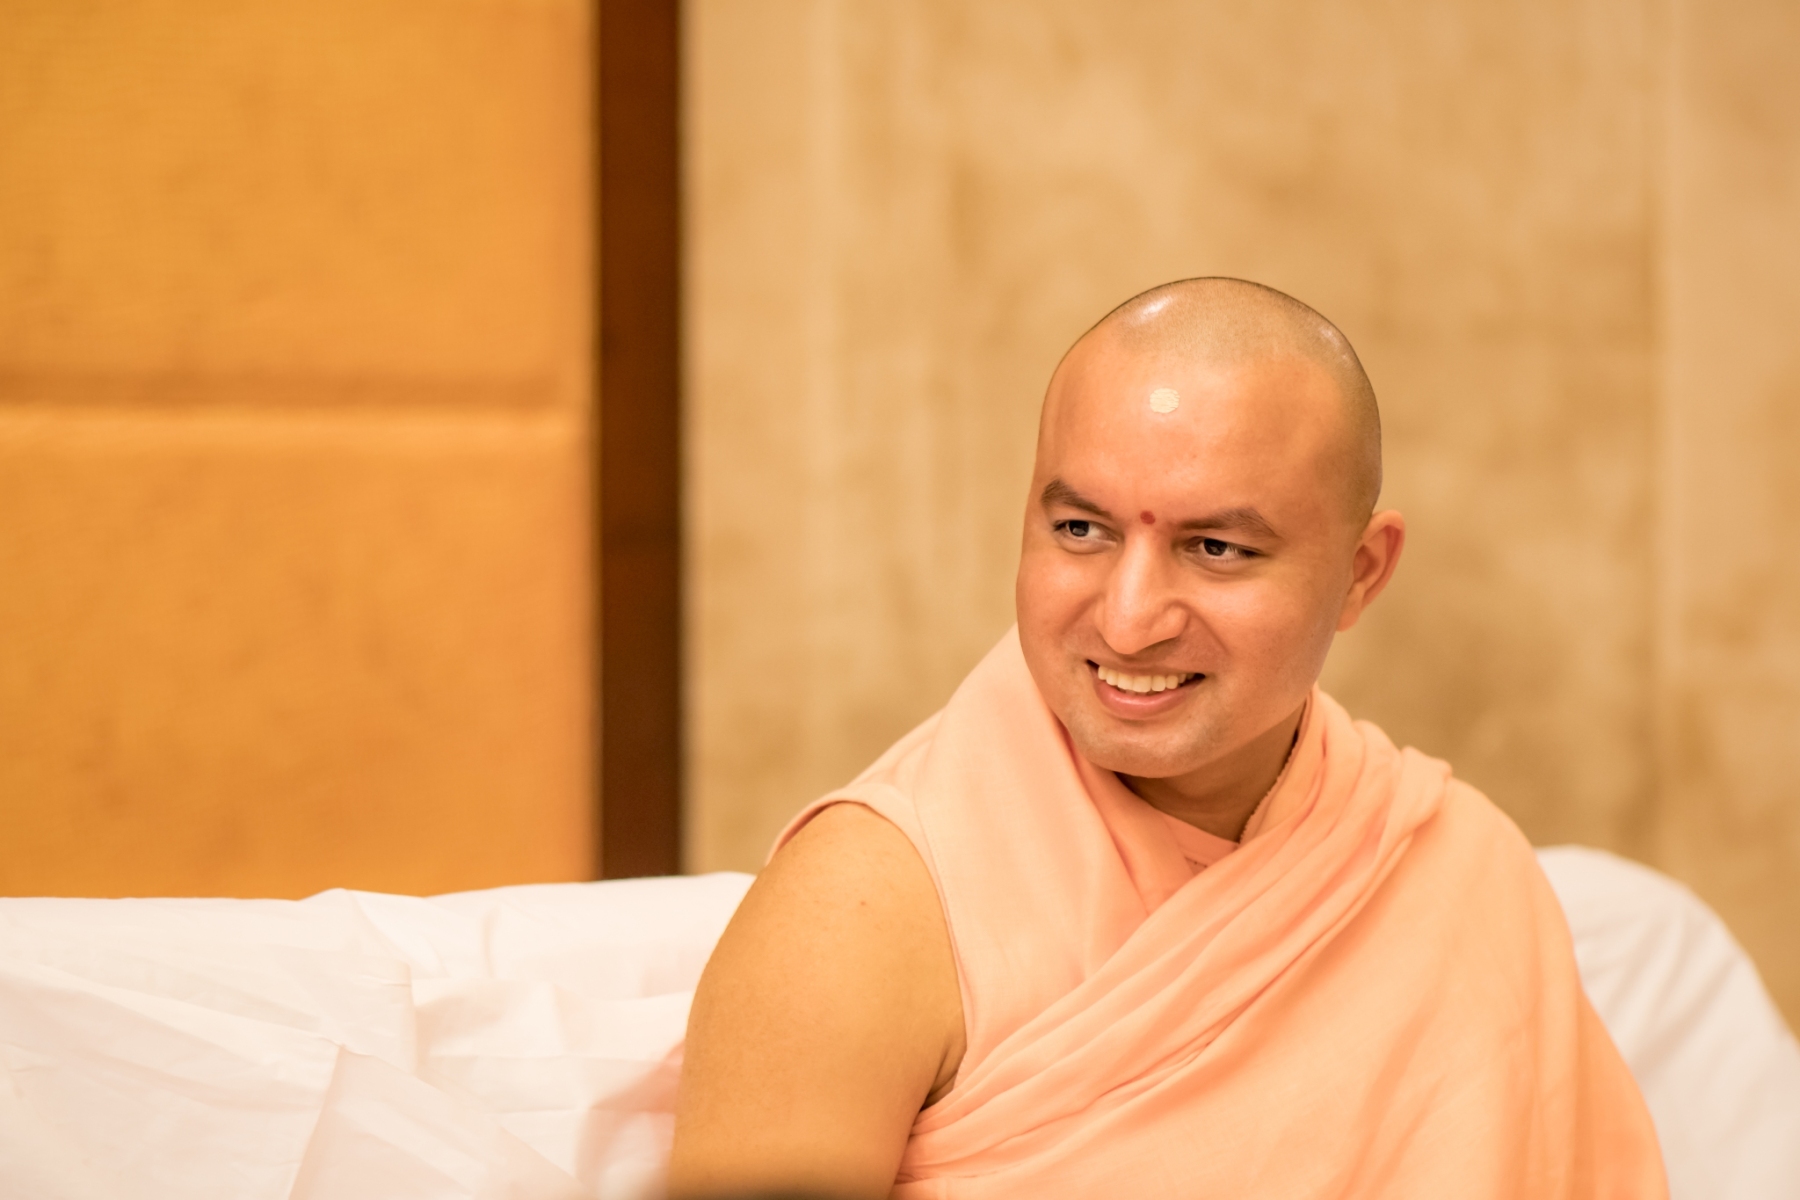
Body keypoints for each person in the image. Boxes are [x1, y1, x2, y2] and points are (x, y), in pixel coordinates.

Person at [668, 279, 1667, 1199]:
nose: (1129, 619)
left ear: (1361, 573)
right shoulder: (861, 913)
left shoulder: (1458, 872)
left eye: (1216, 548)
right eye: (1082, 531)